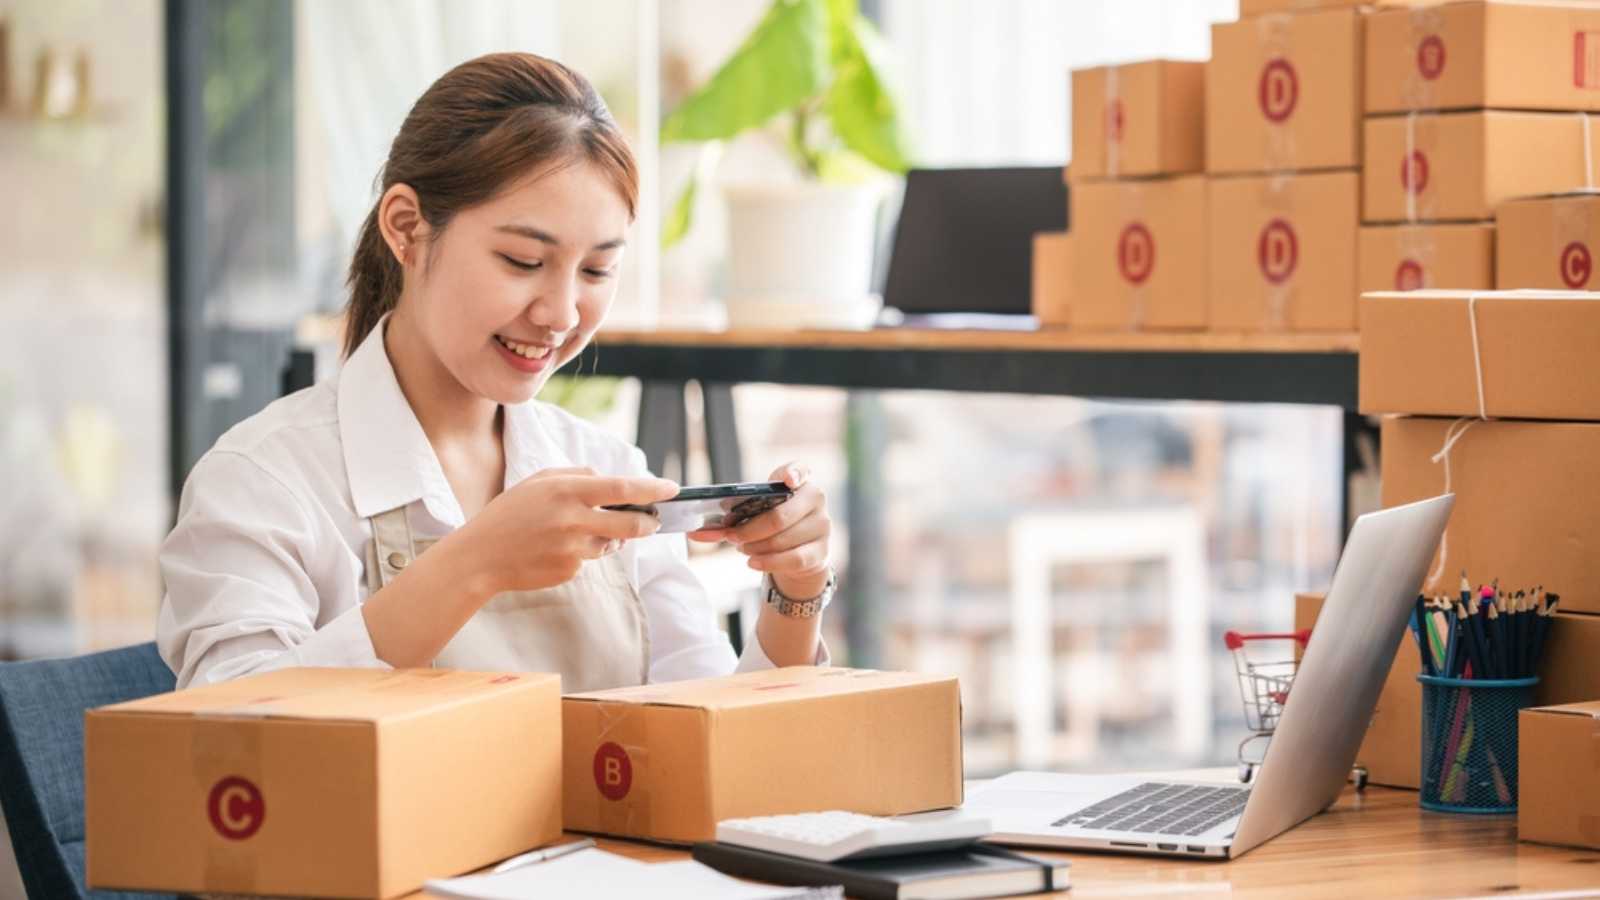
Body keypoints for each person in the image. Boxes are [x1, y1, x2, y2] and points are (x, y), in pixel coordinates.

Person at [157, 53, 834, 691]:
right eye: (522, 261)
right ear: (406, 227)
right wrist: (473, 565)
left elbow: (707, 731)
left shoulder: (600, 464)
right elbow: (229, 738)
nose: (562, 313)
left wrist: (794, 590)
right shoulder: (264, 480)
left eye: (597, 270)